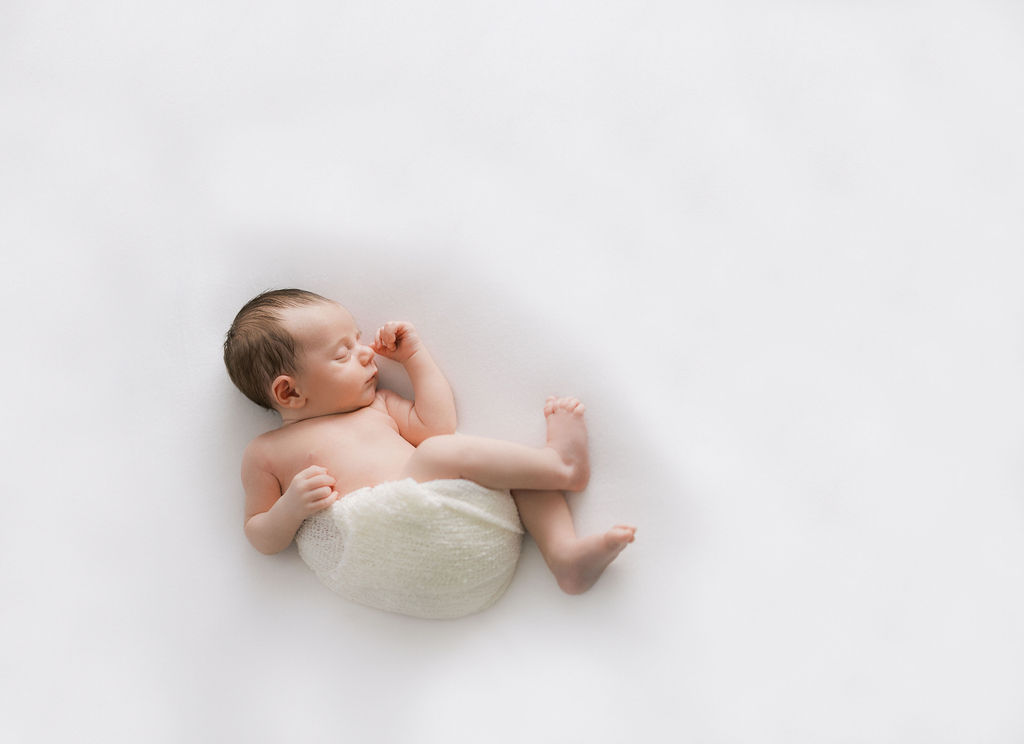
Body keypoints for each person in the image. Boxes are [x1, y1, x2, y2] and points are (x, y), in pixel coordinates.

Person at [224, 288, 635, 595]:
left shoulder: (379, 406)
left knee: (501, 466)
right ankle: (563, 467)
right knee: (444, 452)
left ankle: (563, 556)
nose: (367, 353)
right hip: (384, 544)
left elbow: (437, 425)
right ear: (289, 393)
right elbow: (260, 535)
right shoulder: (266, 453)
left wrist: (414, 357)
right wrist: (290, 508)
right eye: (342, 353)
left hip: (453, 525)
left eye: (358, 339)